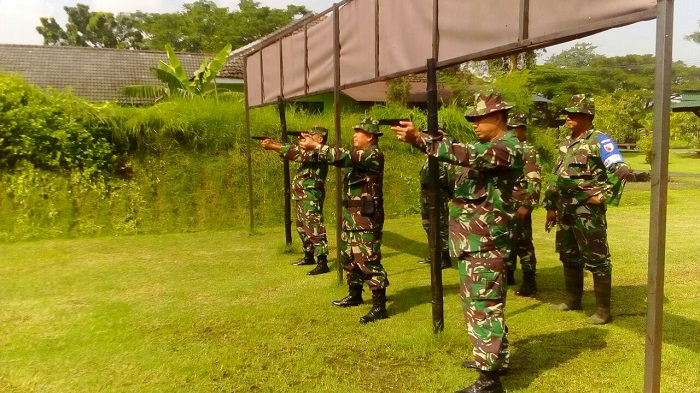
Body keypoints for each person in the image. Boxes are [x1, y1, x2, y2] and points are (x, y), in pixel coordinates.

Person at [392, 91, 523, 393]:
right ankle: (492, 360)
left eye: (480, 118)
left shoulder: (507, 148)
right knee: (482, 304)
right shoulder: (485, 147)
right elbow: (454, 167)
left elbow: (467, 155)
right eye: (472, 119)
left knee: (483, 307)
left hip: (486, 243)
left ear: (499, 117)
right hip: (472, 242)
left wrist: (421, 139)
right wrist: (424, 145)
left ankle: (489, 381)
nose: (474, 124)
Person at [543, 94, 629, 325]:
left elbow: (621, 170)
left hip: (586, 211)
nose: (567, 117)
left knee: (597, 258)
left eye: (572, 114)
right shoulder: (565, 142)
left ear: (586, 116)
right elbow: (555, 175)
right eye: (567, 113)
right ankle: (572, 301)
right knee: (568, 255)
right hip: (564, 209)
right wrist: (550, 206)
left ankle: (603, 311)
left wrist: (603, 195)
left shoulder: (600, 140)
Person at [296, 117, 389, 324]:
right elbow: (341, 157)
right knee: (349, 256)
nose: (354, 135)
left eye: (359, 132)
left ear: (371, 136)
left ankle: (379, 305)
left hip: (366, 217)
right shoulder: (359, 155)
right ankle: (355, 294)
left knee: (368, 259)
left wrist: (317, 146)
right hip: (352, 216)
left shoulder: (373, 154)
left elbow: (343, 157)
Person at [260, 126, 330, 276]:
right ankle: (309, 256)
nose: (309, 138)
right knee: (302, 227)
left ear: (320, 139)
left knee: (314, 226)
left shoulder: (321, 152)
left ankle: (322, 261)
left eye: (312, 136)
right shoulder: (311, 151)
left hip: (310, 195)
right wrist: (274, 143)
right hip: (301, 195)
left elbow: (296, 153)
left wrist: (272, 146)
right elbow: (294, 149)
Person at [505, 113, 541, 297]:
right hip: (506, 203)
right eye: (509, 127)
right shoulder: (509, 148)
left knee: (522, 241)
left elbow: (534, 181)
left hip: (520, 202)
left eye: (515, 128)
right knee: (507, 239)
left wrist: (527, 205)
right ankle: (508, 274)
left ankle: (529, 280)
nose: (511, 131)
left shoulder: (527, 150)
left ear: (523, 130)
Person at [417, 137, 454, 270]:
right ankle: (434, 254)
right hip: (426, 195)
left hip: (438, 194)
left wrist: (449, 193)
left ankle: (445, 256)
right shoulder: (428, 158)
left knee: (441, 225)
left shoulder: (440, 157)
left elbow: (449, 178)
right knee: (428, 225)